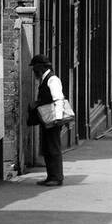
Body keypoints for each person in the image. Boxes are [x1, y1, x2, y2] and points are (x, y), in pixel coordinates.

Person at [28, 55, 67, 188]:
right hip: (48, 119)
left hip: (53, 119)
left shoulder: (52, 79)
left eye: (34, 68)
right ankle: (51, 176)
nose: (33, 71)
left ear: (40, 67)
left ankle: (56, 177)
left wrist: (58, 118)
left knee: (53, 148)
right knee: (47, 148)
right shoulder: (45, 79)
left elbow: (58, 99)